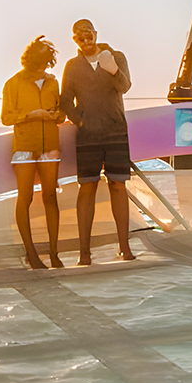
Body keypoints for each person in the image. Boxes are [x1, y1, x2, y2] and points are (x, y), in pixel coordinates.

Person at [60, 18, 134, 264]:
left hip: (116, 131)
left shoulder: (116, 56)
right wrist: (79, 120)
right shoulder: (72, 66)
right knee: (87, 187)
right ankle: (84, 254)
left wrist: (112, 67)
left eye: (88, 32)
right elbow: (65, 100)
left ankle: (124, 248)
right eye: (78, 34)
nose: (84, 36)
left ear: (94, 33)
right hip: (88, 135)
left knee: (117, 185)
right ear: (75, 39)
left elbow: (124, 86)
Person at [1, 36, 64, 269]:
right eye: (40, 65)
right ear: (30, 62)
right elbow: (6, 117)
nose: (43, 70)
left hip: (50, 146)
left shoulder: (52, 82)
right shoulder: (12, 84)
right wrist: (30, 115)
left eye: (46, 65)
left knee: (50, 196)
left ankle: (55, 254)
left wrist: (55, 115)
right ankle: (32, 254)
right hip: (24, 147)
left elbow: (60, 114)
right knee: (25, 197)